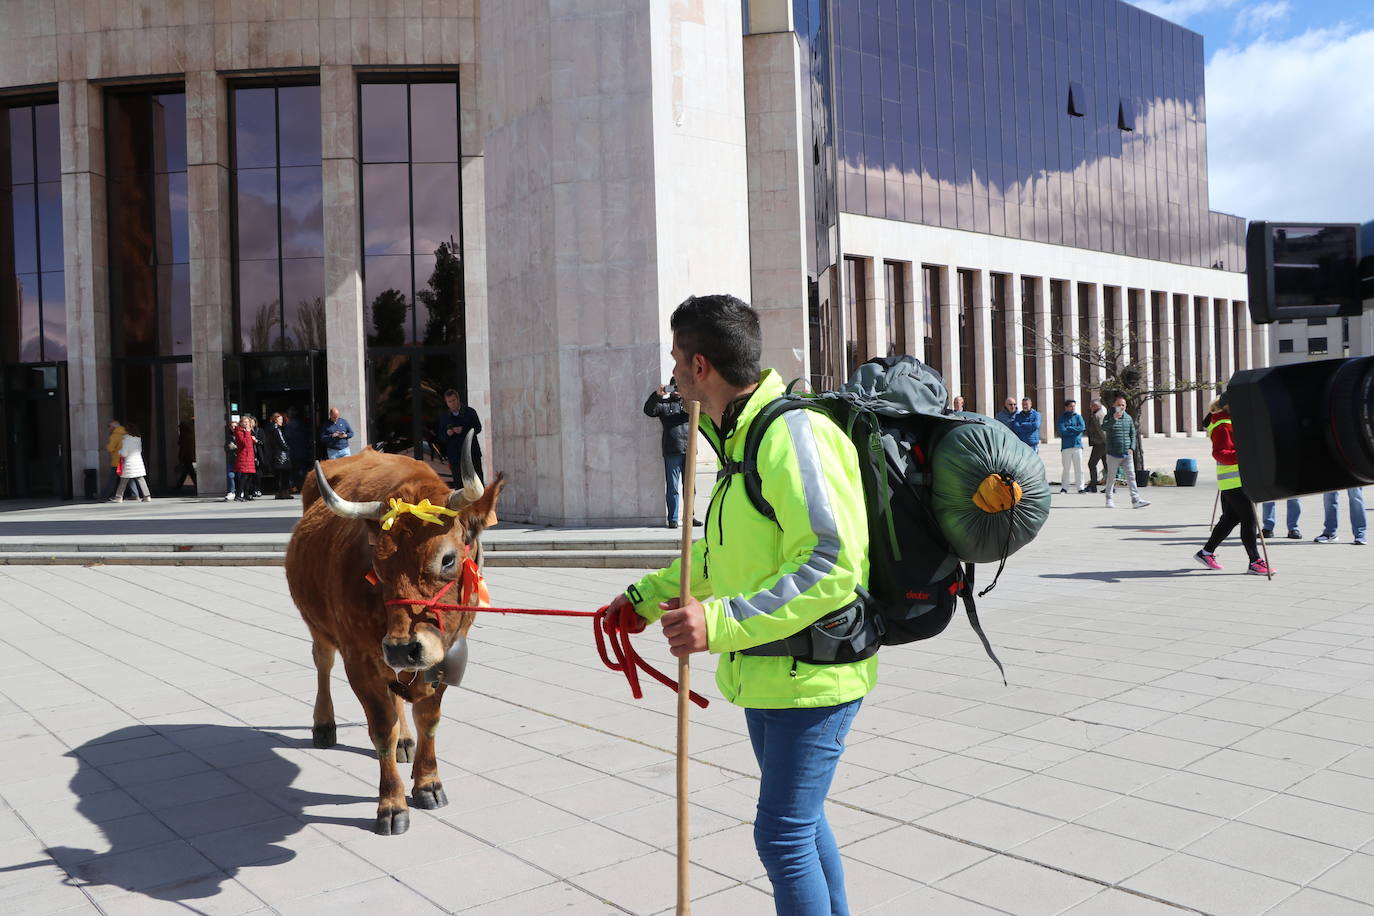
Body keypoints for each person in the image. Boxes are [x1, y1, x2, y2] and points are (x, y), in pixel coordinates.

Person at [603, 294, 870, 913]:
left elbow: (831, 565)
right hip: (771, 674)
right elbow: (719, 559)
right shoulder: (739, 442)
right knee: (802, 825)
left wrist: (716, 622)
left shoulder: (792, 434)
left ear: (701, 367)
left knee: (781, 836)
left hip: (817, 677)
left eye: (675, 361)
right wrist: (642, 599)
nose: (670, 376)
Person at [1195, 394, 1271, 574]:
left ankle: (1206, 552)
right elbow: (1220, 453)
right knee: (1249, 519)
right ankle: (1255, 561)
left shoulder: (1229, 421)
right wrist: (1245, 454)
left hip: (1236, 479)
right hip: (1234, 481)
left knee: (1231, 518)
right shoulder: (1223, 425)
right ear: (1230, 406)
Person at [644, 379, 701, 529]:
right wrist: (657, 395)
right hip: (672, 450)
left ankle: (690, 516)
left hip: (689, 449)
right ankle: (673, 519)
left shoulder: (688, 404)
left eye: (679, 387)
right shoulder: (664, 405)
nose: (676, 390)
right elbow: (649, 411)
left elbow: (703, 408)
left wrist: (688, 394)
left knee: (690, 487)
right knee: (673, 487)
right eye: (674, 387)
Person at [1102, 396, 1150, 509]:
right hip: (1113, 453)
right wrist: (1114, 418)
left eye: (1123, 405)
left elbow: (1133, 434)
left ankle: (1136, 500)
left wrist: (1132, 448)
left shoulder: (1128, 418)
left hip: (1126, 453)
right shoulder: (1109, 416)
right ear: (1114, 405)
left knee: (1131, 476)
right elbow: (1104, 427)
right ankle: (1109, 499)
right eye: (1119, 404)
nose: (1121, 407)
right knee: (1111, 477)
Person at [436, 390, 484, 482]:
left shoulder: (470, 412)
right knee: (460, 487)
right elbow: (441, 437)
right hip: (455, 458)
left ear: (458, 400)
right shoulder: (444, 417)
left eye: (454, 400)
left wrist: (463, 430)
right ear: (447, 403)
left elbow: (478, 428)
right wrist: (447, 434)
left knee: (477, 483)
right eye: (450, 401)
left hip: (472, 454)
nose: (452, 403)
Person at [111, 423, 151, 502]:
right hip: (138, 462)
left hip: (129, 463)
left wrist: (119, 452)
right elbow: (140, 450)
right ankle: (147, 496)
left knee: (123, 481)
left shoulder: (126, 440)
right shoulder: (138, 439)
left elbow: (124, 453)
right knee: (141, 479)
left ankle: (118, 497)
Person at [1055, 399, 1086, 494]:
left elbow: (1082, 428)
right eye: (1071, 406)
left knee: (1079, 468)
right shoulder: (1061, 418)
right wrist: (1074, 431)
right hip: (1066, 447)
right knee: (1066, 468)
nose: (1073, 408)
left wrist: (1070, 428)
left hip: (1077, 446)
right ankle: (1064, 488)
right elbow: (1062, 431)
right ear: (1066, 407)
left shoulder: (1078, 417)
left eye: (1074, 406)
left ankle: (1080, 487)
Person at [266, 413, 293, 499]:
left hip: (275, 454)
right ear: (275, 420)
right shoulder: (277, 430)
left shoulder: (270, 429)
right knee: (285, 474)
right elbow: (282, 443)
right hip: (281, 455)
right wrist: (288, 449)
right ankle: (285, 493)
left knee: (278, 475)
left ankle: (279, 493)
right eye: (280, 419)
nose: (282, 421)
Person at [232, 416, 257, 501]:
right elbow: (244, 443)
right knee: (244, 476)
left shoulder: (247, 431)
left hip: (250, 456)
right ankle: (238, 495)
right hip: (244, 456)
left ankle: (246, 494)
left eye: (248, 422)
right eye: (245, 422)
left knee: (249, 476)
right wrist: (247, 433)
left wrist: (253, 439)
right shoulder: (239, 431)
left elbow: (249, 443)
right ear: (241, 423)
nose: (247, 424)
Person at [1084, 398, 1107, 493]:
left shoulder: (1098, 415)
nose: (1090, 407)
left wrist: (1107, 443)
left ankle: (1093, 485)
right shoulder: (1097, 414)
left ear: (1097, 406)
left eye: (1092, 406)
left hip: (1100, 444)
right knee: (1107, 465)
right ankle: (1110, 486)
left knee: (1092, 464)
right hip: (1101, 443)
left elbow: (1102, 431)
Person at [102, 420, 127, 500]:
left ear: (113, 427)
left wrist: (107, 447)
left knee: (112, 479)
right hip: (126, 458)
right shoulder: (126, 433)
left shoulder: (115, 435)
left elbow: (111, 448)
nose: (108, 429)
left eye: (109, 426)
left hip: (117, 460)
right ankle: (135, 494)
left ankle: (106, 495)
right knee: (129, 478)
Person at [171, 420, 197, 492]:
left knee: (189, 472)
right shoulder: (190, 434)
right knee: (187, 472)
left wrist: (181, 457)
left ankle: (179, 486)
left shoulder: (184, 435)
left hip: (186, 456)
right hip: (189, 455)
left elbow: (183, 447)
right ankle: (179, 486)